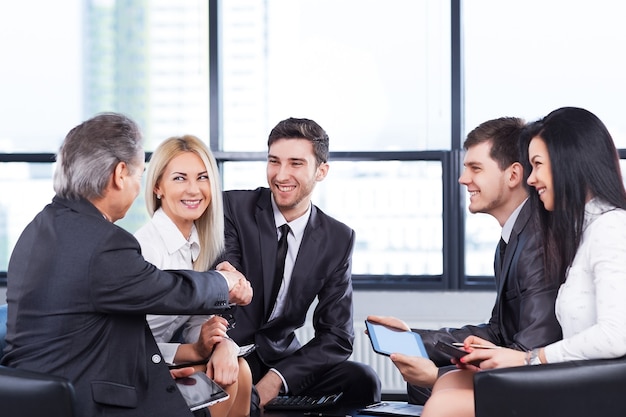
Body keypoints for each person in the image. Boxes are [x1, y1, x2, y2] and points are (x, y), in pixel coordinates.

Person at [0, 113, 253, 417]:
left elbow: (96, 331)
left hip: (45, 393)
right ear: (120, 174)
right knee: (216, 394)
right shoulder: (104, 243)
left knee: (229, 377)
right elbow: (168, 289)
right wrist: (224, 281)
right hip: (87, 401)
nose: (137, 186)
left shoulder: (39, 228)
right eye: (139, 174)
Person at [421, 107, 626, 417]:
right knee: (450, 383)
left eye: (538, 165)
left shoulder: (611, 228)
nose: (532, 179)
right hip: (575, 378)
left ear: (568, 162)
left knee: (446, 402)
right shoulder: (583, 232)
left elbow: (615, 336)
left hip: (593, 389)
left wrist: (529, 359)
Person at [367, 117, 562, 404]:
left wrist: (439, 376)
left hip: (537, 379)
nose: (463, 179)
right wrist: (414, 339)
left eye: (475, 168)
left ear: (513, 175)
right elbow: (498, 330)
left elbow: (530, 350)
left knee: (428, 383)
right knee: (422, 384)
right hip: (521, 363)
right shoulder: (514, 237)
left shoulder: (537, 241)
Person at [218, 117, 381, 409]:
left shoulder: (337, 238)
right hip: (229, 349)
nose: (281, 175)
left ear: (321, 171)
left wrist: (278, 378)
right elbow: (226, 284)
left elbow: (337, 335)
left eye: (295, 163)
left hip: (280, 359)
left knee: (362, 379)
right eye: (274, 161)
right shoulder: (233, 208)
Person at [134, 135, 252, 417]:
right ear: (158, 187)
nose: (193, 189)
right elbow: (130, 341)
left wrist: (221, 342)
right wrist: (191, 352)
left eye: (202, 177)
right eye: (179, 178)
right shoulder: (145, 249)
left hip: (163, 359)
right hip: (136, 367)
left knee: (240, 370)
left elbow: (194, 322)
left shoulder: (197, 244)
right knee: (219, 379)